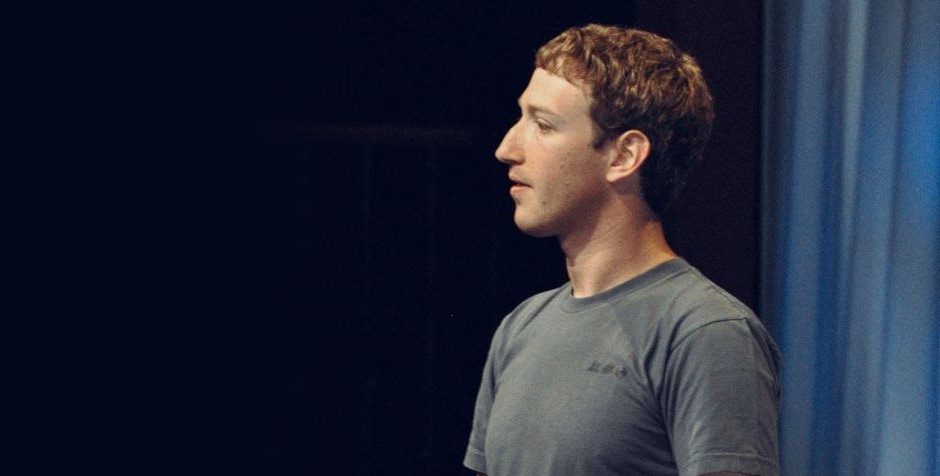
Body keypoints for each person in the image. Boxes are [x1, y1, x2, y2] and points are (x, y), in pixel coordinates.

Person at [463, 24, 781, 476]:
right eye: (521, 118)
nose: (506, 148)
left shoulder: (705, 332)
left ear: (624, 156)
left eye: (543, 125)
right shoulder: (522, 327)